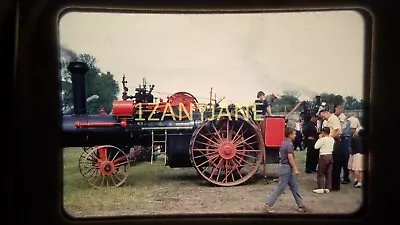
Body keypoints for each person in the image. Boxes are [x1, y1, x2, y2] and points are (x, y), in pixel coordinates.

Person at [263, 127, 308, 213]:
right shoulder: (289, 145)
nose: (295, 136)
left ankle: (301, 205)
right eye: (294, 134)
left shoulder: (283, 143)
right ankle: (268, 204)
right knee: (281, 187)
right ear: (290, 135)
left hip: (285, 167)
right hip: (287, 167)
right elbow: (290, 157)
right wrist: (295, 168)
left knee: (295, 187)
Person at [319, 109, 342, 191]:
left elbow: (338, 131)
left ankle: (335, 185)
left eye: (323, 116)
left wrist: (329, 138)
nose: (323, 118)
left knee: (335, 164)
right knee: (330, 166)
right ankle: (330, 184)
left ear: (326, 113)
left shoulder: (334, 119)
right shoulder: (328, 120)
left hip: (335, 142)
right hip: (331, 141)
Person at [313, 127, 334, 193]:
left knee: (321, 172)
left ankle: (321, 187)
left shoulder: (322, 139)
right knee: (329, 172)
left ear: (323, 132)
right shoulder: (332, 139)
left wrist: (319, 139)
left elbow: (316, 146)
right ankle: (328, 187)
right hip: (330, 155)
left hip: (323, 155)